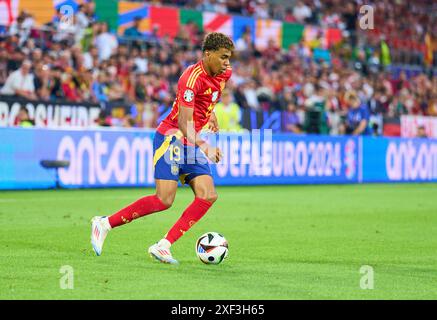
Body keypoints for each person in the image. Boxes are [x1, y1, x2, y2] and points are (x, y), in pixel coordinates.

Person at [90, 32, 234, 265]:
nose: (228, 62)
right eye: (223, 57)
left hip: (191, 140)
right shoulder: (190, 78)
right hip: (173, 137)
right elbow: (183, 123)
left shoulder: (224, 73)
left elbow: (209, 97)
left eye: (230, 57)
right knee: (164, 199)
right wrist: (204, 145)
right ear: (208, 54)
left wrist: (212, 113)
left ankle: (163, 245)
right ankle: (104, 223)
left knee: (208, 195)